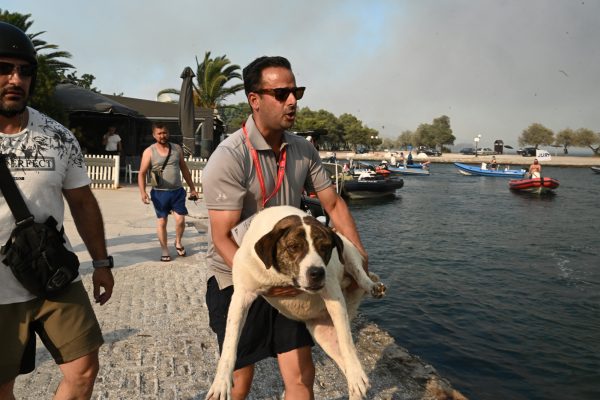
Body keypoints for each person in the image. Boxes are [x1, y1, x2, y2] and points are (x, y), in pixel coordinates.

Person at [202, 56, 368, 400]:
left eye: (296, 91)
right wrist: (263, 283)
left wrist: (358, 252)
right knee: (238, 379)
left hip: (292, 272)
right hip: (238, 275)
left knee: (300, 375)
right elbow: (221, 236)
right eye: (281, 93)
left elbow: (333, 204)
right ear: (255, 100)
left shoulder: (303, 149)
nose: (292, 101)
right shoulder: (229, 156)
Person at [0, 22, 114, 399]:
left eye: (25, 70)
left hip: (51, 271)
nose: (15, 79)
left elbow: (82, 202)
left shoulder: (57, 136)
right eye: (4, 68)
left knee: (83, 369)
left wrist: (101, 263)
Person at [137, 122, 199, 262]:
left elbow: (184, 169)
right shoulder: (149, 151)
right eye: (159, 133)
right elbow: (141, 173)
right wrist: (143, 192)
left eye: (164, 133)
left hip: (177, 191)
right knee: (162, 222)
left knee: (180, 219)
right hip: (159, 192)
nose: (162, 136)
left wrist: (193, 188)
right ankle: (164, 249)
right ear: (154, 135)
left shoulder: (177, 148)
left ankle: (178, 242)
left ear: (168, 133)